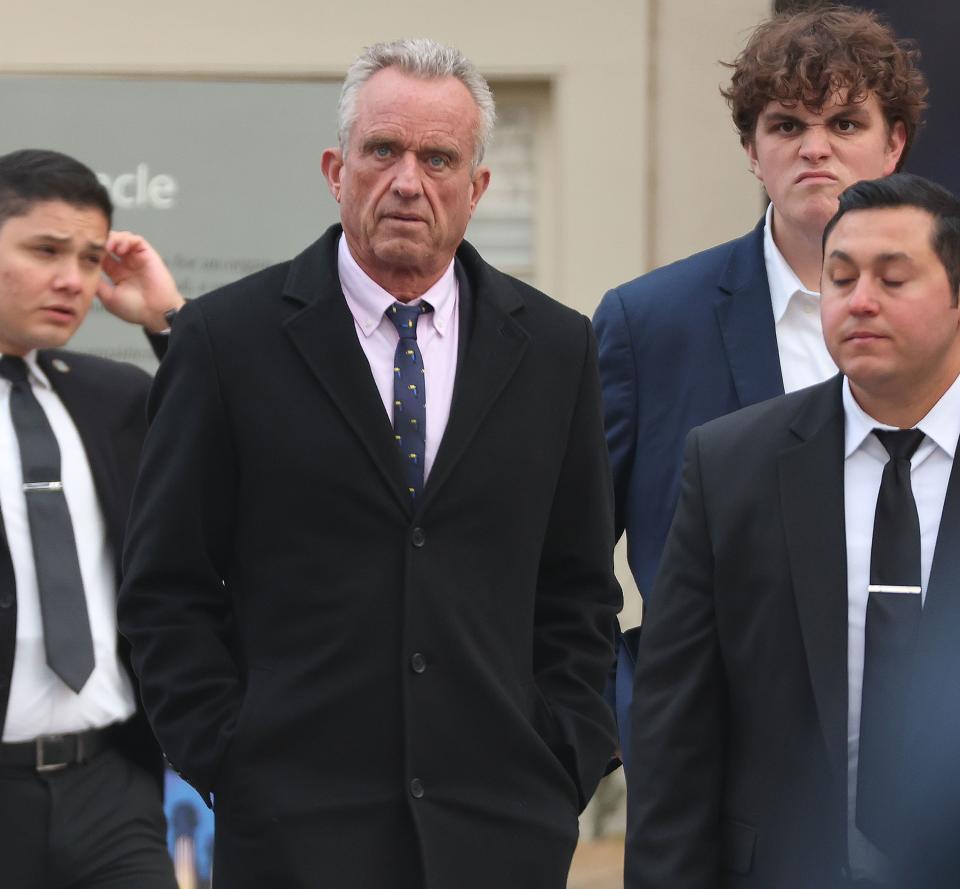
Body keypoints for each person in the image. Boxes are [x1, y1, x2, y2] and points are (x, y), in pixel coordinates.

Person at [118, 38, 621, 889]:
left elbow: (576, 585)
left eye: (438, 157)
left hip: (500, 830)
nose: (407, 180)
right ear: (335, 169)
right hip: (294, 831)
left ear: (478, 186)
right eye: (382, 149)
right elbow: (167, 585)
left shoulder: (557, 346)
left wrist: (562, 758)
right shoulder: (224, 341)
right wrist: (228, 758)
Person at [592, 5, 928, 760]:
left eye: (845, 123)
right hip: (717, 776)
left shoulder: (949, 315)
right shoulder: (650, 326)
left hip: (927, 773)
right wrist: (636, 716)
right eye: (786, 126)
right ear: (751, 148)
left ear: (893, 143)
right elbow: (559, 565)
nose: (816, 148)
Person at [625, 172, 960, 888]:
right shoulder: (729, 464)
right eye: (840, 278)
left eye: (893, 279)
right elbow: (676, 732)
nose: (860, 300)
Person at [0, 148, 182, 888]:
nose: (74, 280)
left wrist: (168, 321)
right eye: (45, 250)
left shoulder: (113, 399)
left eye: (90, 256)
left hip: (112, 789)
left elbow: (258, 450)